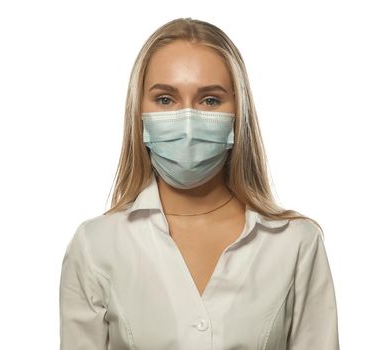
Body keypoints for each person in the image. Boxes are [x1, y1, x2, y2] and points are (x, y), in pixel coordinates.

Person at [59, 17, 339, 350]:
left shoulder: (295, 243)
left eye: (209, 100)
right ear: (139, 112)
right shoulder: (96, 245)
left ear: (238, 113)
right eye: (165, 99)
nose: (188, 120)